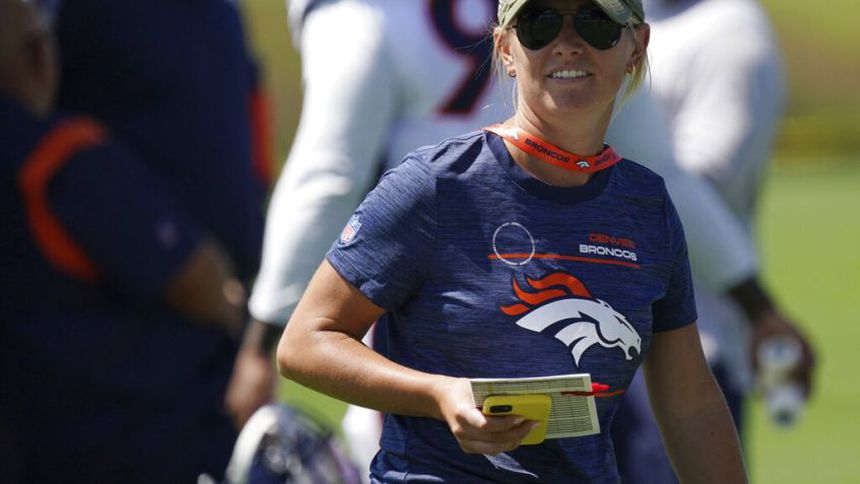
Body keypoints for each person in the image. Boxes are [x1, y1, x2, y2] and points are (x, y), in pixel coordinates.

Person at [243, 0, 813, 475]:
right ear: (506, 49)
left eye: (595, 22)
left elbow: (690, 402)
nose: (568, 44)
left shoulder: (648, 206)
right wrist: (439, 395)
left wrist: (759, 308)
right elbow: (305, 342)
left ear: (637, 46)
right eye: (539, 23)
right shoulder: (433, 185)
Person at [0, 0, 247, 480]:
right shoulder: (58, 157)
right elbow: (197, 280)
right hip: (138, 440)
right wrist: (240, 315)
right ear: (37, 53)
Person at [610, 0, 810, 481]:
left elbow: (696, 185)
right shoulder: (610, 17)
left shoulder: (730, 32)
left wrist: (758, 308)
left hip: (692, 345)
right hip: (595, 340)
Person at [48, 0, 270, 432]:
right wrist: (172, 253)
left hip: (225, 329)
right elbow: (42, 136)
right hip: (123, 333)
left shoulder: (219, 10)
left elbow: (246, 122)